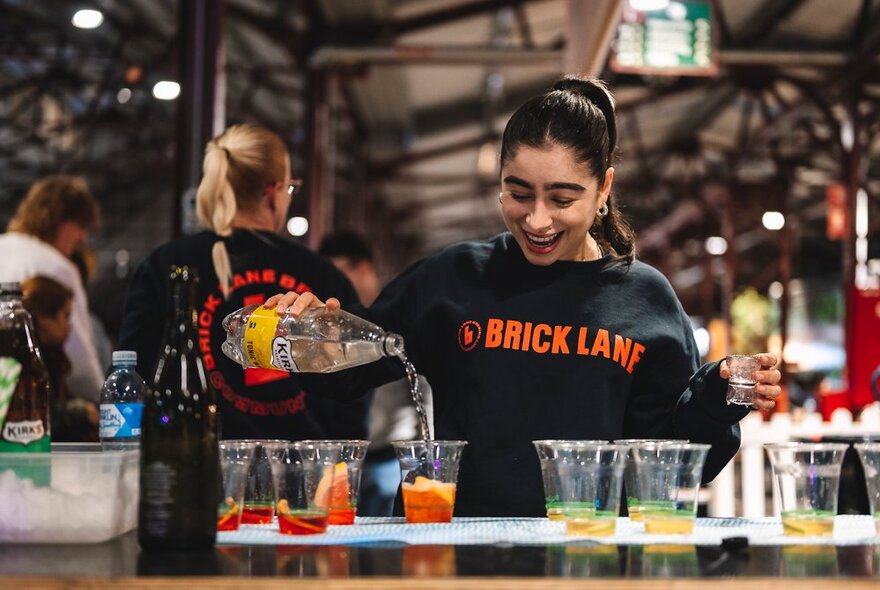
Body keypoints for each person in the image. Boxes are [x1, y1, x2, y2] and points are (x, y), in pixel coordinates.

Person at [267, 76, 782, 517]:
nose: (537, 220)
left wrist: (717, 399)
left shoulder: (644, 298)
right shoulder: (454, 278)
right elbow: (347, 369)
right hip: (458, 557)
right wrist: (302, 328)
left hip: (588, 560)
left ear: (603, 190)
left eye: (562, 198)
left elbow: (672, 461)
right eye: (518, 194)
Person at [118, 123, 369, 442]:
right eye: (290, 189)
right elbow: (353, 390)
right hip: (301, 473)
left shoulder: (166, 266)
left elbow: (132, 378)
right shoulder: (322, 276)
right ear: (272, 193)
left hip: (191, 464)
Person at [319, 231, 426, 516]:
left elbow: (425, 388)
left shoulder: (399, 313)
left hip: (390, 459)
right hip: (345, 459)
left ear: (363, 267)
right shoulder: (337, 321)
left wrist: (423, 459)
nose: (334, 283)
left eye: (339, 273)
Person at [0, 175, 104, 402]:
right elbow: (78, 358)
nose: (83, 237)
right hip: (32, 397)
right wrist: (102, 400)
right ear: (59, 219)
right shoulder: (56, 266)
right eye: (80, 226)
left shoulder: (2, 245)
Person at [21, 276, 99, 442]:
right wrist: (80, 415)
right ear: (43, 317)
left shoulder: (51, 356)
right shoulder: (26, 362)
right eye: (66, 315)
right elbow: (36, 419)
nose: (69, 325)